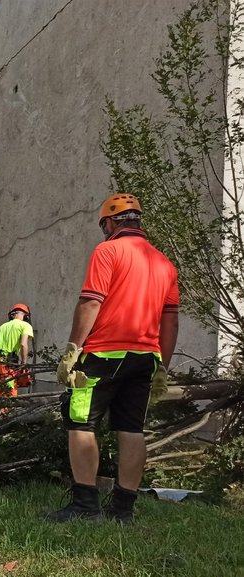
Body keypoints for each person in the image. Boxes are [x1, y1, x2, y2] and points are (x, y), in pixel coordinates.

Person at [49, 193, 178, 524]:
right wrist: (163, 364)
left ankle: (86, 506)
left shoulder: (107, 251)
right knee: (131, 428)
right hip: (145, 357)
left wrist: (72, 351)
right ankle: (123, 511)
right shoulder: (164, 264)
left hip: (105, 353)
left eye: (103, 225)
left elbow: (91, 303)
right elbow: (171, 320)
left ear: (110, 223)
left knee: (80, 422)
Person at [0, 303, 34, 398]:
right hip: (7, 363)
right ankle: (7, 412)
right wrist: (24, 364)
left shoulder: (2, 327)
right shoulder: (25, 325)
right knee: (10, 391)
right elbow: (23, 344)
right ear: (25, 315)